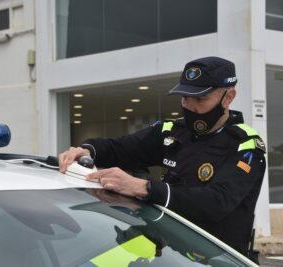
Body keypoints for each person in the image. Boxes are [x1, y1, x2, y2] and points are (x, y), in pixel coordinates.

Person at [58, 57, 266, 257]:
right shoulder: (172, 131)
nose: (189, 106)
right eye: (185, 97)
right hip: (168, 253)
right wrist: (87, 150)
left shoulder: (246, 146)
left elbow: (216, 202)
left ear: (228, 97)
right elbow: (122, 148)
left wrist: (144, 187)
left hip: (218, 259)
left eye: (200, 98)